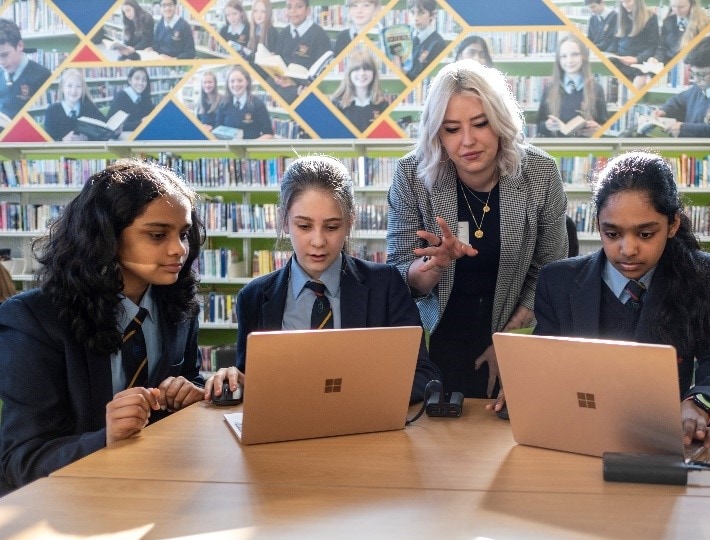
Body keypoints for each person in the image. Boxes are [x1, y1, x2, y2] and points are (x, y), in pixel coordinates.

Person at [0, 159, 206, 492]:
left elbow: (189, 379)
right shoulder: (32, 321)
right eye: (157, 235)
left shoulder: (179, 307)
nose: (178, 249)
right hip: (68, 506)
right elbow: (21, 460)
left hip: (158, 487)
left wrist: (191, 395)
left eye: (184, 234)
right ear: (106, 236)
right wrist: (104, 439)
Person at [533, 151, 710, 450]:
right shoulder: (558, 282)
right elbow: (543, 365)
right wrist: (528, 390)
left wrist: (698, 404)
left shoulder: (706, 276)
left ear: (672, 225)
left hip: (661, 439)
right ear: (598, 225)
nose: (627, 249)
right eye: (612, 233)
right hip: (577, 438)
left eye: (645, 234)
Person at [386, 59, 568, 404]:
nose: (467, 141)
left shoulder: (540, 173)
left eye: (481, 124)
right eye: (451, 129)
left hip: (510, 336)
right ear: (436, 133)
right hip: (433, 342)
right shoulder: (411, 175)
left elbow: (551, 270)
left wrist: (510, 342)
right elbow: (399, 276)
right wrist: (434, 267)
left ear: (500, 121)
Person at [203, 155, 439, 405]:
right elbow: (250, 383)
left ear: (350, 221)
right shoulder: (253, 297)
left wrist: (355, 398)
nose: (318, 242)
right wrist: (234, 380)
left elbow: (425, 377)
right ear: (283, 220)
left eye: (332, 227)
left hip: (362, 432)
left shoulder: (386, 285)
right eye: (304, 226)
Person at [652, 35, 710, 137]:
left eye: (702, 74)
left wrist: (686, 129)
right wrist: (664, 110)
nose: (696, 80)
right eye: (693, 73)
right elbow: (678, 101)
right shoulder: (700, 88)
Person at [535, 36, 608, 138]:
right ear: (558, 60)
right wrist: (547, 125)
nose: (569, 60)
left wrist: (598, 130)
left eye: (574, 54)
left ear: (583, 56)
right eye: (564, 56)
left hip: (585, 149)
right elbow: (539, 125)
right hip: (557, 149)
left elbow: (604, 125)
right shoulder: (549, 89)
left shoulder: (597, 88)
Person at [270, 0, 332, 103]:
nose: (293, 11)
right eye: (289, 7)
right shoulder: (283, 34)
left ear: (308, 11)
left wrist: (295, 84)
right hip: (283, 85)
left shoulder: (319, 35)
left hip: (304, 89)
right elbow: (279, 61)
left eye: (298, 7)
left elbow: (322, 71)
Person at [0, 18, 51, 119]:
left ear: (20, 46)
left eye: (4, 55)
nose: (1, 62)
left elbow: (46, 113)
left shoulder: (42, 75)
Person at [43, 68, 107, 142]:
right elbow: (47, 142)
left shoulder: (89, 107)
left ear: (82, 89)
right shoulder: (51, 111)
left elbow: (105, 129)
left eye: (78, 86)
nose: (74, 90)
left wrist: (88, 139)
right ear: (62, 88)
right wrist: (63, 140)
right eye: (69, 86)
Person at [332, 48, 385, 132]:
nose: (362, 73)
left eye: (367, 69)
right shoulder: (336, 104)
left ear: (374, 73)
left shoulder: (383, 105)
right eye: (356, 69)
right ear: (349, 74)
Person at [608, 0, 659, 87]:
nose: (625, 5)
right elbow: (614, 43)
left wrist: (637, 59)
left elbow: (653, 47)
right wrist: (609, 54)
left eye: (628, 1)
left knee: (641, 76)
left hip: (638, 60)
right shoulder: (620, 17)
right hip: (620, 58)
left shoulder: (651, 17)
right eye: (622, 2)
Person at [214, 65, 273, 139]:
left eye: (240, 80)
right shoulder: (223, 104)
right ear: (228, 84)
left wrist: (249, 146)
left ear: (247, 82)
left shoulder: (258, 104)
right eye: (232, 81)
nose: (236, 85)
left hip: (251, 149)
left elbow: (268, 134)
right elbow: (217, 129)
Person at [654, 0, 710, 65]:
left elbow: (704, 52)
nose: (676, 10)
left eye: (681, 7)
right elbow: (663, 47)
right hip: (670, 64)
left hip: (692, 65)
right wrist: (656, 58)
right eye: (673, 6)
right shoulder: (668, 21)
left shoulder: (702, 24)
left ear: (692, 5)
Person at [405, 0, 445, 81]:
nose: (415, 18)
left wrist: (403, 73)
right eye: (412, 12)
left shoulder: (438, 43)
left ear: (433, 14)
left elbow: (422, 77)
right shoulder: (407, 37)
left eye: (421, 13)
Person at [108, 66, 155, 136]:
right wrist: (140, 123)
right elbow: (111, 125)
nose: (140, 83)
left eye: (144, 80)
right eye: (137, 78)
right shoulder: (121, 96)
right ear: (130, 80)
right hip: (124, 138)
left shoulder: (145, 97)